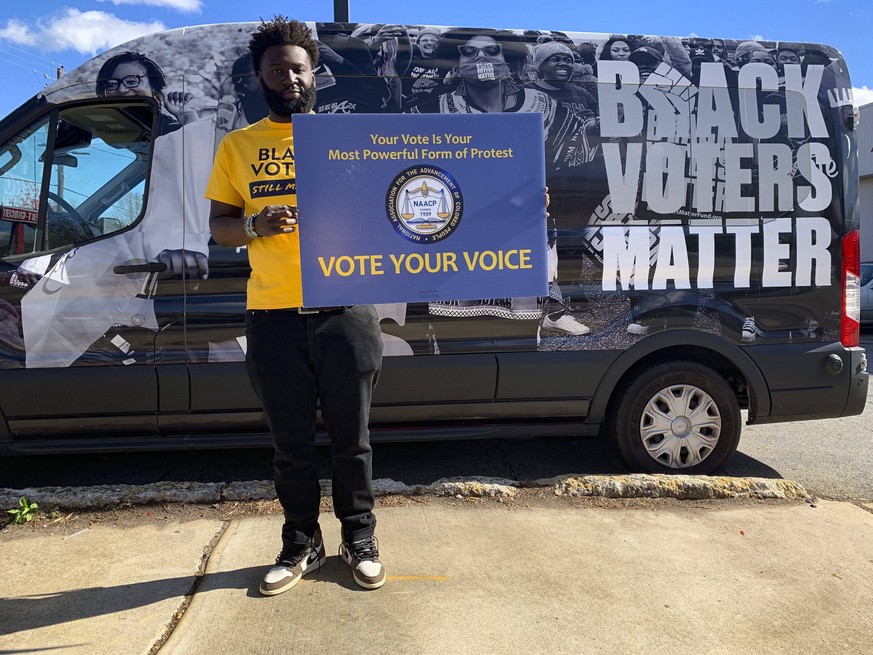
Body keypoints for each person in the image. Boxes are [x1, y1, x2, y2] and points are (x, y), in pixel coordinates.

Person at [205, 16, 385, 595]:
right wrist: (255, 224)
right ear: (260, 75)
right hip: (274, 316)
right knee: (292, 447)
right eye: (277, 68)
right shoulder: (238, 146)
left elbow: (416, 197)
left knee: (352, 441)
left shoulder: (355, 140)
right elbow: (220, 228)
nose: (289, 77)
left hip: (347, 310)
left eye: (298, 68)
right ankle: (300, 542)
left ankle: (360, 539)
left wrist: (517, 201)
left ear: (316, 75)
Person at [410, 29, 597, 337]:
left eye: (492, 51)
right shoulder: (432, 109)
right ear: (456, 66)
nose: (481, 57)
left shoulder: (544, 106)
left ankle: (549, 317)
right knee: (460, 337)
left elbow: (580, 147)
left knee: (519, 337)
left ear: (508, 63)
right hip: (460, 239)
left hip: (522, 240)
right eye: (469, 53)